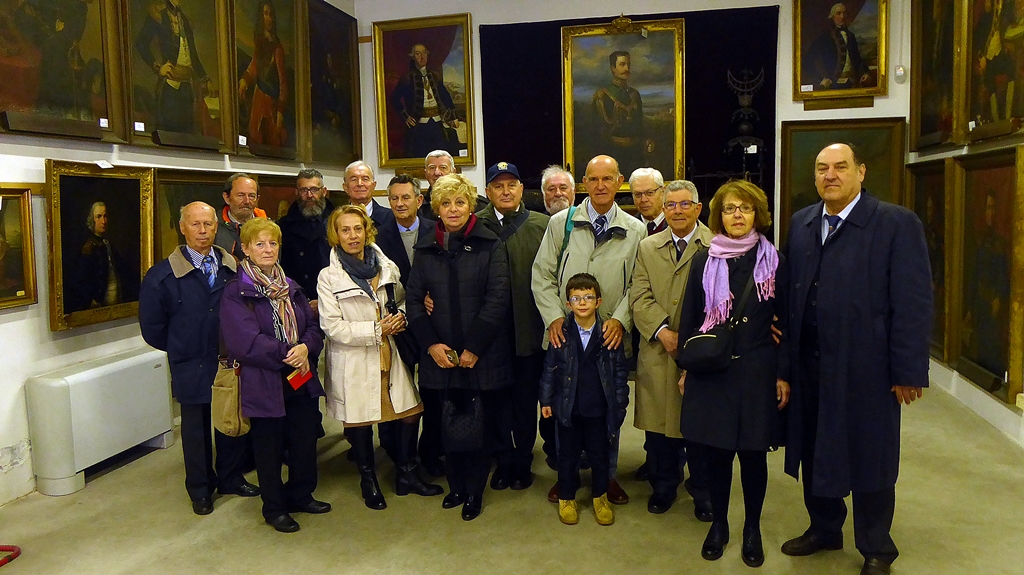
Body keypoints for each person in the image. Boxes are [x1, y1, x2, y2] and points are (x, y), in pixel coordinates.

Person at [781, 143, 932, 575]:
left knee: (871, 457)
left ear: (861, 172)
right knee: (814, 449)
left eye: (840, 167)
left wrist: (908, 370)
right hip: (810, 364)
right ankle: (825, 528)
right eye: (822, 168)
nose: (830, 175)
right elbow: (791, 293)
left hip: (868, 369)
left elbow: (914, 303)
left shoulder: (895, 224)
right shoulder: (803, 222)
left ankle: (876, 547)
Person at [675, 180, 790, 567]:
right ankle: (720, 525)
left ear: (757, 213)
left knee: (754, 457)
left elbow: (787, 323)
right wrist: (685, 369)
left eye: (744, 208)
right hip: (713, 374)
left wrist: (783, 373)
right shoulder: (703, 260)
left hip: (758, 372)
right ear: (718, 216)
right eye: (728, 209)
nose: (736, 215)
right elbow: (689, 319)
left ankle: (752, 529)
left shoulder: (774, 262)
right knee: (717, 456)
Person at [532, 154, 646, 505]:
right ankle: (566, 476)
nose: (600, 186)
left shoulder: (635, 229)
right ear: (584, 183)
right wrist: (554, 317)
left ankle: (605, 477)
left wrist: (620, 320)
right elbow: (542, 275)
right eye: (593, 180)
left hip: (608, 338)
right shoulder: (562, 224)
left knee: (607, 412)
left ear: (619, 181)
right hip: (565, 337)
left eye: (607, 179)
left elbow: (638, 285)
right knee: (566, 410)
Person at [317, 205, 443, 510]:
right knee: (360, 420)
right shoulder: (328, 277)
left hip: (391, 352)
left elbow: (400, 299)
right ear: (336, 235)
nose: (352, 236)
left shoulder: (385, 265)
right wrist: (376, 329)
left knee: (410, 411)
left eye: (357, 229)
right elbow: (332, 326)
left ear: (366, 231)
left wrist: (400, 317)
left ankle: (407, 474)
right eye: (345, 230)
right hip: (355, 358)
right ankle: (368, 479)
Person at [139, 202, 258, 516]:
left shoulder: (233, 266)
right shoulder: (162, 276)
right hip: (190, 362)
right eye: (195, 225)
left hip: (228, 359)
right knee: (196, 430)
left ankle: (231, 478)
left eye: (208, 224)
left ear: (216, 226)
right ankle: (201, 489)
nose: (203, 231)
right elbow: (152, 328)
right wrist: (183, 346)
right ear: (183, 227)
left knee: (229, 420)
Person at [405, 173, 512, 521]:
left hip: (481, 354)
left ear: (471, 206)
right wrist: (432, 345)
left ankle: (474, 492)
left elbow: (498, 300)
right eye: (446, 203)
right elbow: (414, 301)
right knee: (446, 423)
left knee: (479, 425)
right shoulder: (425, 247)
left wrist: (473, 348)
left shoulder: (489, 243)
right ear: (437, 207)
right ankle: (455, 487)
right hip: (439, 355)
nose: (453, 209)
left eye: (460, 202)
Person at [219, 218, 328, 533]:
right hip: (264, 380)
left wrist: (306, 348)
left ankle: (301, 495)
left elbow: (311, 326)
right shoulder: (236, 292)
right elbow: (245, 342)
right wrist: (289, 353)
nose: (268, 249)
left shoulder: (290, 286)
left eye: (273, 243)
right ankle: (274, 507)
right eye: (260, 244)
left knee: (304, 438)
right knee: (269, 447)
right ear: (246, 250)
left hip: (300, 375)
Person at [630, 180, 714, 519]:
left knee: (700, 432)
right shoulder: (648, 247)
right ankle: (663, 487)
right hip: (658, 351)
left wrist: (692, 341)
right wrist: (663, 331)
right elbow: (639, 296)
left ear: (698, 208)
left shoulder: (715, 246)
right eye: (671, 205)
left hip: (702, 354)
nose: (677, 210)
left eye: (684, 204)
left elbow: (722, 302)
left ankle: (703, 493)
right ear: (663, 209)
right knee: (660, 431)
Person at [476, 161, 550, 491]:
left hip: (529, 332)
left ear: (522, 189)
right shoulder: (475, 226)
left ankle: (523, 461)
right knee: (494, 402)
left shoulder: (542, 225)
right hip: (490, 336)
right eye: (498, 186)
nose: (505, 191)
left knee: (524, 402)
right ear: (488, 191)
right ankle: (502, 460)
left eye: (512, 185)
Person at [540, 273, 629, 526]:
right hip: (568, 409)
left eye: (588, 297)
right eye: (576, 298)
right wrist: (546, 402)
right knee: (566, 456)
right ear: (568, 304)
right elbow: (548, 370)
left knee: (600, 455)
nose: (582, 303)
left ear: (598, 301)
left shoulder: (609, 333)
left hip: (599, 409)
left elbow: (620, 373)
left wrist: (620, 404)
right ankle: (566, 497)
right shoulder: (560, 334)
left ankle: (600, 497)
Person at [133, 0, 211, 134]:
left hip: (187, 85)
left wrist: (205, 78)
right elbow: (141, 43)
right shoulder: (158, 14)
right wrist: (158, 67)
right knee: (169, 131)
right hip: (170, 86)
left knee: (188, 132)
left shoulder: (184, 20)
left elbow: (193, 55)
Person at [278, 168, 335, 314]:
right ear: (297, 193)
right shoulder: (283, 226)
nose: (309, 195)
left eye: (314, 189)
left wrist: (323, 300)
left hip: (332, 300)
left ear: (324, 191)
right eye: (304, 190)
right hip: (296, 302)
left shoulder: (338, 223)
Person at [390, 43, 461, 159]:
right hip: (419, 126)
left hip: (437, 123)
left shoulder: (434, 76)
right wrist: (406, 116)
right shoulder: (407, 78)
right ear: (413, 57)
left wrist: (453, 117)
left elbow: (445, 96)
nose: (422, 57)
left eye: (424, 53)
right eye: (418, 54)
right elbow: (394, 99)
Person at [238, 0, 288, 147]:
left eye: (270, 14)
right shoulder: (260, 42)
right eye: (265, 14)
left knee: (271, 138)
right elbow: (254, 66)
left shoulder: (277, 48)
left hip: (270, 102)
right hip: (258, 97)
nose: (268, 18)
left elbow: (283, 82)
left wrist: (280, 112)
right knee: (255, 136)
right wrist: (244, 80)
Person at [592, 52, 649, 176]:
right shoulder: (603, 96)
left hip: (635, 153)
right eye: (622, 64)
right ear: (613, 68)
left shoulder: (634, 94)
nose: (627, 69)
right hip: (613, 152)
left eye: (628, 64)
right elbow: (598, 131)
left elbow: (640, 124)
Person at [73, 201, 135, 312]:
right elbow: (81, 279)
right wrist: (91, 300)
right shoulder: (88, 247)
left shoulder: (107, 243)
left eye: (105, 216)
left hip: (116, 300)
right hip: (100, 304)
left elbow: (121, 268)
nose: (104, 221)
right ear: (92, 220)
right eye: (99, 217)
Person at [375, 174, 435, 287]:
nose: (399, 204)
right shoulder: (378, 237)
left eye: (405, 198)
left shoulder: (436, 232)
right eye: (394, 198)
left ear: (419, 201)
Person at [804, 3, 870, 91]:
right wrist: (821, 79)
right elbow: (808, 60)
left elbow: (857, 58)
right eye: (838, 13)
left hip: (852, 83)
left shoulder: (850, 36)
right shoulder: (825, 37)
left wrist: (865, 73)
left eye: (844, 13)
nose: (842, 16)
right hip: (833, 85)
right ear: (832, 16)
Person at [419, 150, 490, 221]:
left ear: (453, 172)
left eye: (443, 168)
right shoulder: (418, 206)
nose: (437, 173)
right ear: (425, 173)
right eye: (432, 168)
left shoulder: (478, 204)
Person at [215, 173, 268, 261]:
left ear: (257, 199)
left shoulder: (269, 227)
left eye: (251, 196)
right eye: (240, 195)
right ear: (227, 198)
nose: (246, 201)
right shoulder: (214, 227)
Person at [342, 161, 394, 230]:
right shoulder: (335, 220)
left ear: (373, 185)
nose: (360, 184)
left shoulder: (391, 218)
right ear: (345, 187)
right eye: (354, 179)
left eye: (365, 179)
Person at [630, 168, 667, 235]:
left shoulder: (676, 225)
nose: (643, 200)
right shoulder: (628, 228)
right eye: (638, 194)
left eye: (650, 193)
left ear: (663, 191)